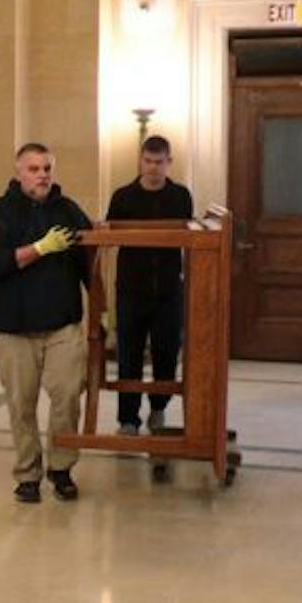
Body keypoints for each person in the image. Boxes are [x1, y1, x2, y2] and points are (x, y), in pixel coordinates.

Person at [0, 144, 94, 502]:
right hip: (14, 326)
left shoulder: (68, 210)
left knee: (68, 395)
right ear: (18, 173)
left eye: (46, 168)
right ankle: (28, 474)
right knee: (21, 403)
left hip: (62, 324)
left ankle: (62, 469)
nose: (42, 175)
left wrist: (103, 309)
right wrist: (39, 248)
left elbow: (91, 257)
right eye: (33, 169)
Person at [104, 135, 193, 434]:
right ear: (140, 161)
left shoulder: (180, 195)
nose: (153, 168)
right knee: (129, 354)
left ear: (169, 163)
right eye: (148, 161)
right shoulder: (122, 196)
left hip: (168, 290)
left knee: (167, 354)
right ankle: (128, 419)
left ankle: (159, 408)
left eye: (159, 162)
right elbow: (111, 236)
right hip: (131, 289)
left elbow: (187, 235)